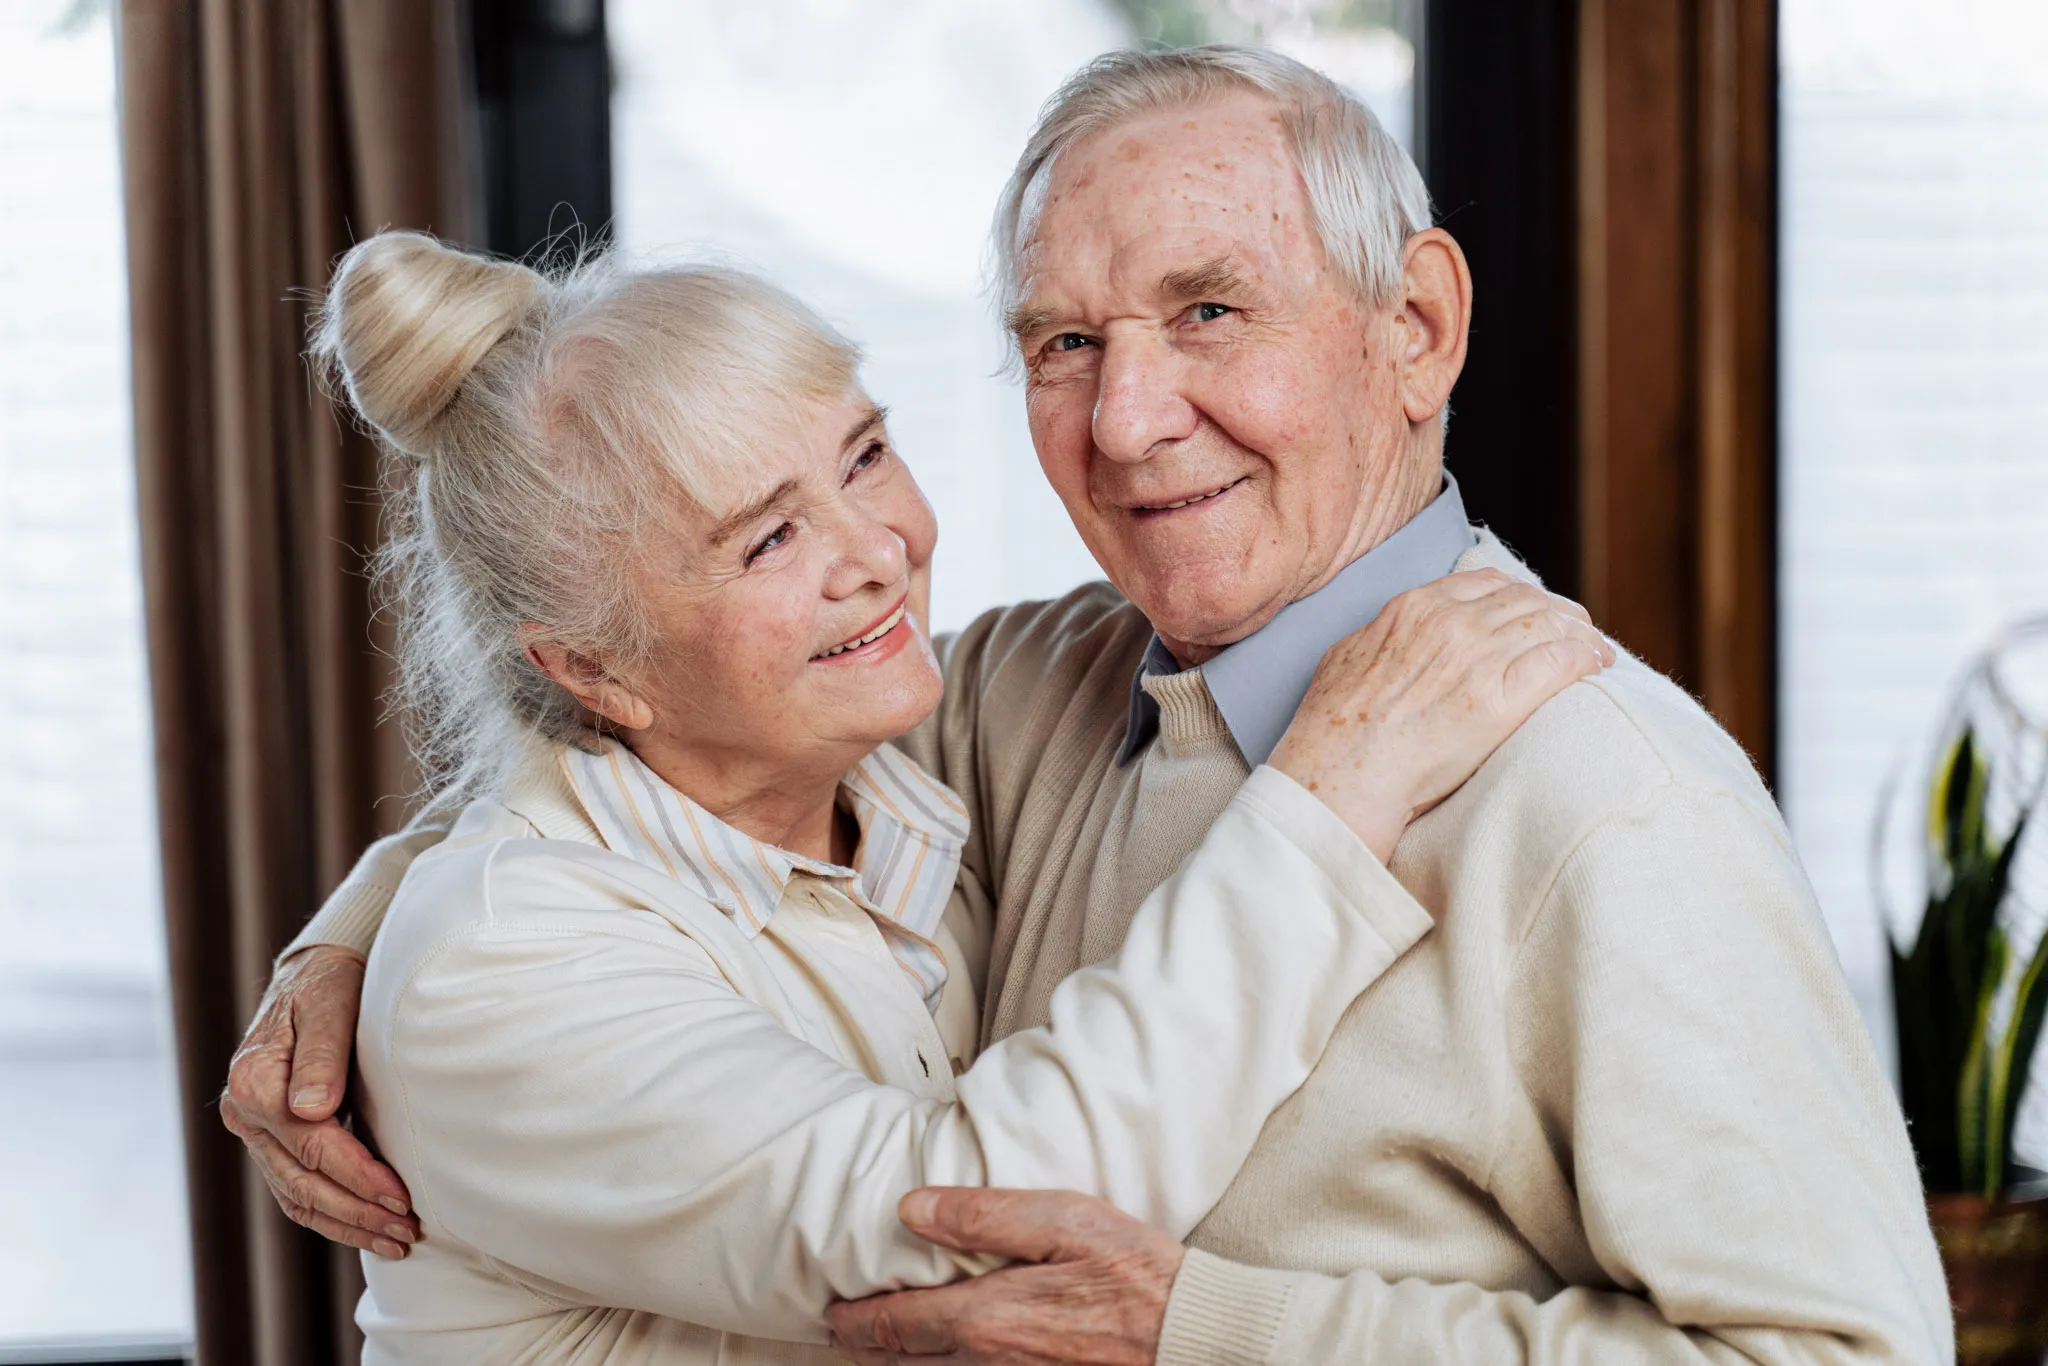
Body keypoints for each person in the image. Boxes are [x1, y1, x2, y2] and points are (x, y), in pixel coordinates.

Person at [229, 45, 1953, 1365]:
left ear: (1415, 325)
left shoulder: (1600, 796)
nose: (1128, 421)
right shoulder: (1032, 691)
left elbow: (1842, 1350)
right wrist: (360, 941)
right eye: (1063, 343)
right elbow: (691, 748)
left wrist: (1206, 1331)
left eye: (1212, 312)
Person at [290, 228, 1602, 1362]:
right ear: (594, 668)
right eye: (768, 538)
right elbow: (971, 1227)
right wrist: (1332, 799)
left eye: (862, 457)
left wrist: (356, 910)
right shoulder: (499, 959)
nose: (878, 555)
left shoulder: (898, 743)